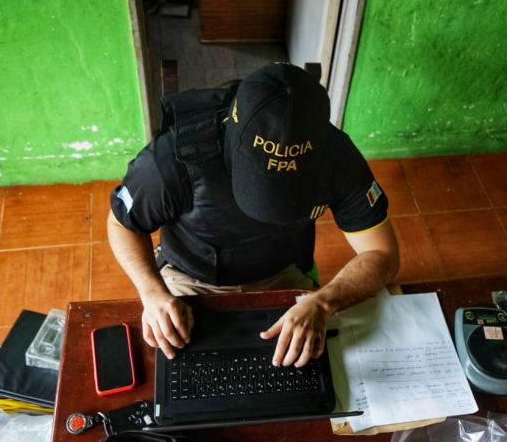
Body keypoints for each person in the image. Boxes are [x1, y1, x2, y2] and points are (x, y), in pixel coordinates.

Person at [107, 62, 399, 368]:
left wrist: (323, 302)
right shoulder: (173, 158)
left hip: (282, 272)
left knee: (313, 379)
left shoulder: (337, 157)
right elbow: (120, 223)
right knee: (178, 376)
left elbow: (382, 253)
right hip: (189, 277)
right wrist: (152, 294)